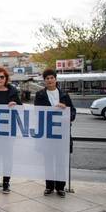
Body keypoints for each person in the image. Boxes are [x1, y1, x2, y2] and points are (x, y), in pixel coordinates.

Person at [34, 68, 76, 198]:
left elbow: (73, 112)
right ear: (44, 81)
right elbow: (37, 112)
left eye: (52, 78)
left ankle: (60, 187)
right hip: (47, 134)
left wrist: (66, 111)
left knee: (60, 161)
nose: (50, 80)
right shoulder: (40, 95)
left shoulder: (64, 95)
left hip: (62, 134)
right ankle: (49, 186)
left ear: (56, 79)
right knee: (48, 161)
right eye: (47, 78)